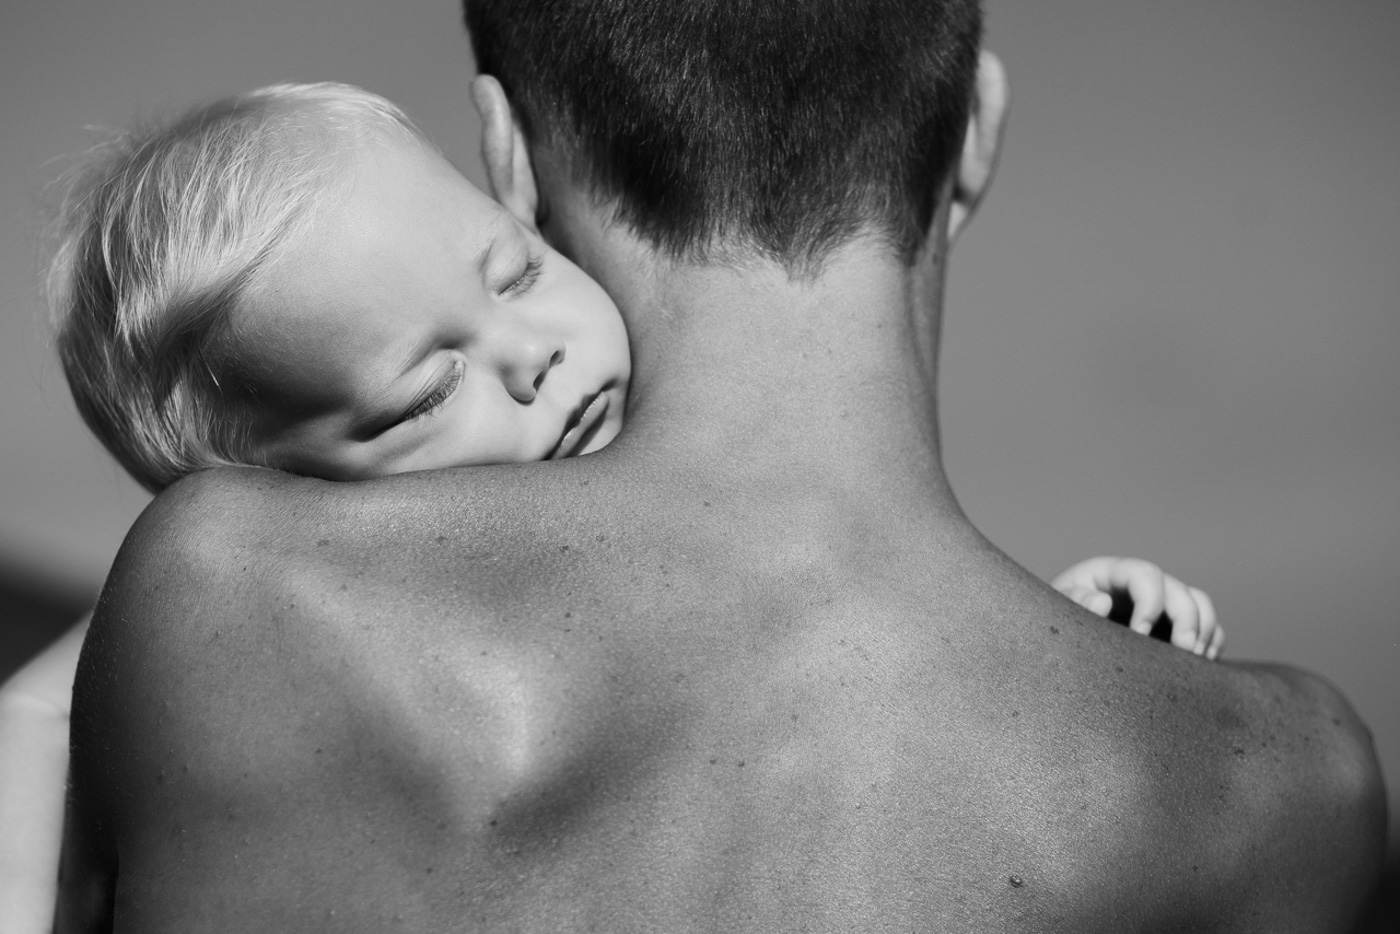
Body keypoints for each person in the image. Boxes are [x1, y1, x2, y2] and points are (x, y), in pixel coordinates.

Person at [55, 0, 1385, 930]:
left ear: (507, 156)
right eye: (422, 389)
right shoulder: (1277, 784)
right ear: (976, 126)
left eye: (511, 284)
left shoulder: (225, 602)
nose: (518, 366)